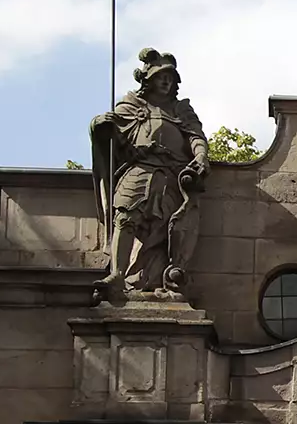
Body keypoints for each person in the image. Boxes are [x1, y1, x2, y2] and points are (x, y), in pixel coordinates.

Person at [88, 48, 209, 300]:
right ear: (148, 79)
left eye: (171, 78)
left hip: (171, 175)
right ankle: (117, 273)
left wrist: (200, 156)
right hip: (139, 169)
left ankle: (164, 277)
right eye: (160, 76)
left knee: (166, 229)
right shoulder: (131, 104)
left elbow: (196, 136)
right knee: (124, 216)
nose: (166, 81)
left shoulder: (181, 110)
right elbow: (113, 135)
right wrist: (100, 124)